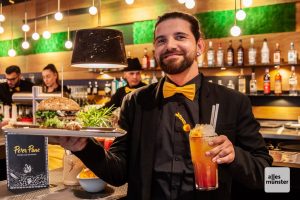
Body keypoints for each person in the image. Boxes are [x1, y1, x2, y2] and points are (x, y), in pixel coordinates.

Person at [55, 12, 272, 200]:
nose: (169, 45)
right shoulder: (135, 101)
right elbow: (118, 172)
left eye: (180, 37)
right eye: (161, 40)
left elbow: (268, 175)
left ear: (199, 46)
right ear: (155, 50)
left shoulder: (233, 102)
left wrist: (234, 154)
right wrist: (84, 147)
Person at [41, 64, 70, 170]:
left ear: (55, 75)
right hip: (45, 131)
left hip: (58, 133)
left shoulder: (63, 91)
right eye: (44, 77)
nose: (45, 80)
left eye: (48, 76)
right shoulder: (42, 92)